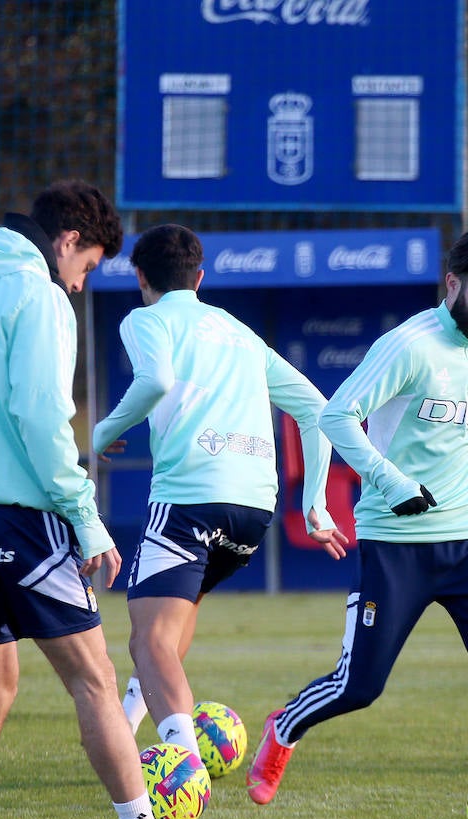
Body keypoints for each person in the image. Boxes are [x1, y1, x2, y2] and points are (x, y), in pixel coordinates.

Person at [0, 181, 215, 819]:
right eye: (87, 265)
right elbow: (44, 419)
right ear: (67, 240)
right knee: (95, 681)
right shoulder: (39, 296)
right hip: (20, 521)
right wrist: (86, 518)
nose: (82, 284)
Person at [244, 226, 468, 819]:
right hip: (395, 544)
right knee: (360, 686)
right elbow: (337, 414)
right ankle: (284, 725)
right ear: (453, 284)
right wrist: (391, 484)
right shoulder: (410, 346)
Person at [91, 223, 348, 758]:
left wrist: (103, 433)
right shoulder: (237, 330)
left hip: (190, 499)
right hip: (253, 510)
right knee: (177, 614)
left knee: (148, 637)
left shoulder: (145, 318)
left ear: (140, 276)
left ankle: (184, 765)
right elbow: (316, 408)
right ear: (200, 277)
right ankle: (126, 727)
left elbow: (155, 380)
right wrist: (316, 504)